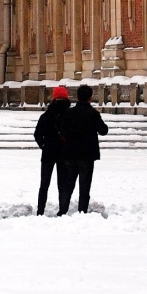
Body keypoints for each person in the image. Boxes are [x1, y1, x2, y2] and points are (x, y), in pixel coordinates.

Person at [59, 85, 109, 215]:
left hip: (70, 153)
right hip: (87, 155)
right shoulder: (93, 113)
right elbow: (103, 130)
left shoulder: (69, 113)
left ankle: (63, 209)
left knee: (68, 184)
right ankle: (82, 211)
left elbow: (62, 129)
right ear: (90, 97)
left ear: (77, 97)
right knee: (84, 185)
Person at [34, 86, 72, 216]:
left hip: (51, 154)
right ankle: (61, 210)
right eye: (59, 97)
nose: (60, 100)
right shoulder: (69, 116)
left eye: (62, 97)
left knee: (47, 184)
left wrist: (44, 145)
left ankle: (42, 211)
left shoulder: (47, 115)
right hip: (61, 154)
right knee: (59, 184)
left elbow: (37, 134)